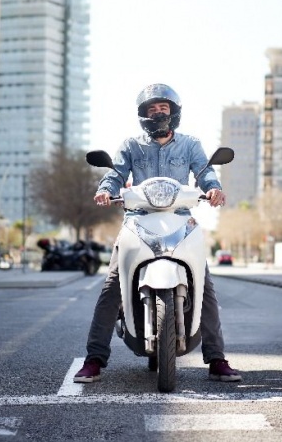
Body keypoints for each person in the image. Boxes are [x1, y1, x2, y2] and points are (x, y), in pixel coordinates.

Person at [74, 83, 242, 384]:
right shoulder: (131, 145)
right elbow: (115, 173)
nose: (158, 113)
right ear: (144, 115)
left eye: (163, 108)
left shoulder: (190, 144)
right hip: (138, 220)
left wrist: (214, 188)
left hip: (180, 220)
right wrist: (105, 190)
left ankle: (217, 359)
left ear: (173, 112)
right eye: (152, 109)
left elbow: (205, 171)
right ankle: (94, 360)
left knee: (204, 286)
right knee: (112, 287)